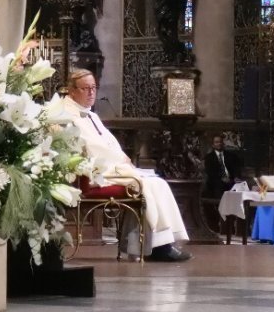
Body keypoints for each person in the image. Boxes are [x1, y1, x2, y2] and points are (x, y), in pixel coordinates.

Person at [65, 69, 191, 261]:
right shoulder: (68, 115)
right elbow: (90, 149)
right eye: (85, 88)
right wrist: (119, 160)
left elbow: (107, 143)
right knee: (146, 186)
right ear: (72, 91)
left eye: (93, 88)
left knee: (158, 183)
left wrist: (122, 157)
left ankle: (155, 245)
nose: (91, 93)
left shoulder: (90, 115)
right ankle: (158, 248)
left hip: (112, 168)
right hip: (97, 174)